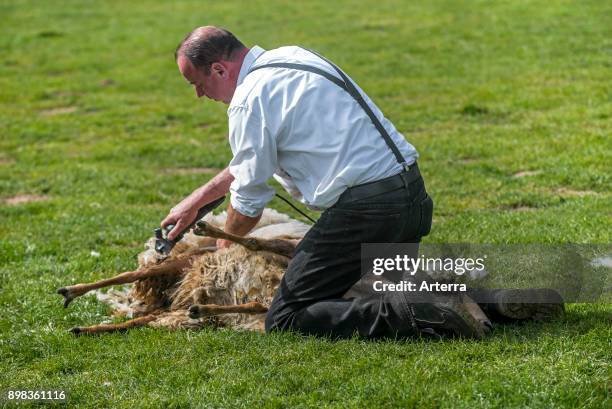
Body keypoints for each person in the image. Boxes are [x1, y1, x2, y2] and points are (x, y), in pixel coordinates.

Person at [161, 26, 561, 339]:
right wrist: (199, 199)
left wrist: (224, 246)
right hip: (410, 197)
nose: (199, 94)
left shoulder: (249, 100)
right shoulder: (292, 57)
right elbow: (252, 160)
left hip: (367, 212)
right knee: (377, 287)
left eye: (197, 82)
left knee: (287, 316)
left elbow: (248, 203)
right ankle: (499, 302)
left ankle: (423, 313)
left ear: (219, 68)